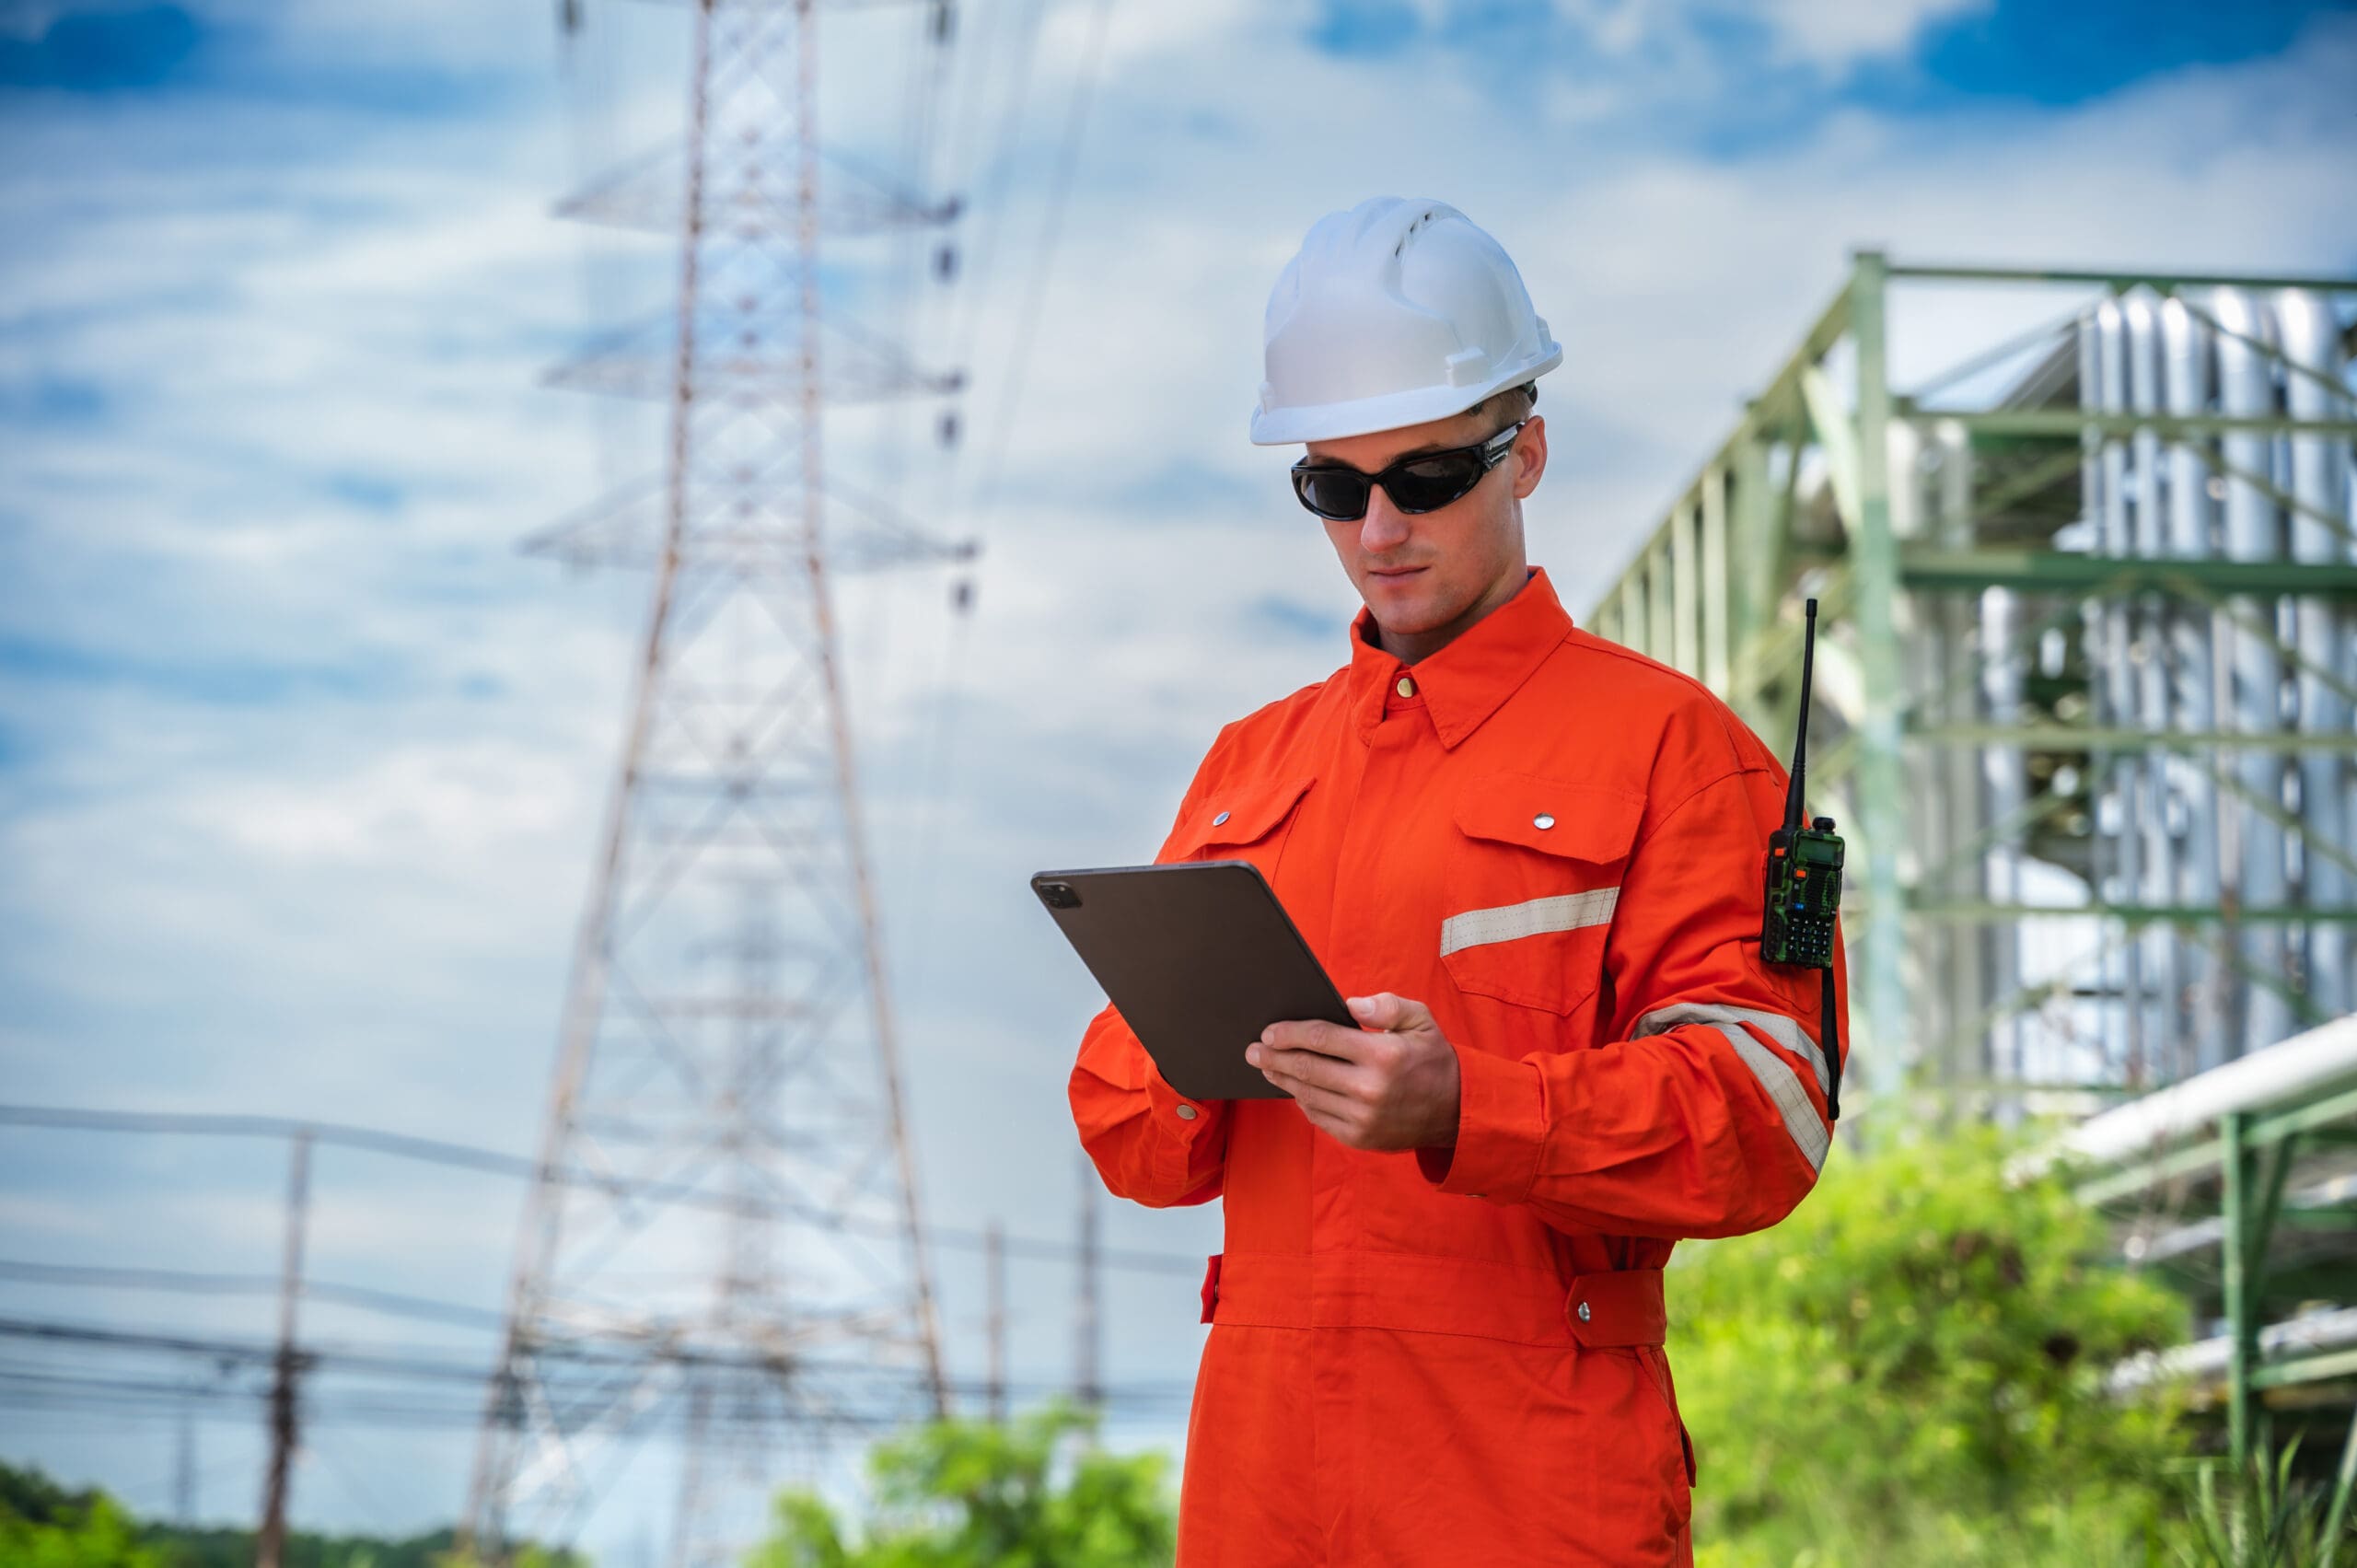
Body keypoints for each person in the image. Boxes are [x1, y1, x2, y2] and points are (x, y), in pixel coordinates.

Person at [1067, 196, 1848, 1568]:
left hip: (1529, 1492)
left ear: (1525, 453)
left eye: (1425, 479)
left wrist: (1468, 1103)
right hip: (1263, 1489)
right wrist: (1189, 1057)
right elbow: (1131, 1144)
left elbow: (1767, 1121)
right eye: (1333, 486)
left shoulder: (1672, 753)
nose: (1380, 529)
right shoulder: (1251, 769)